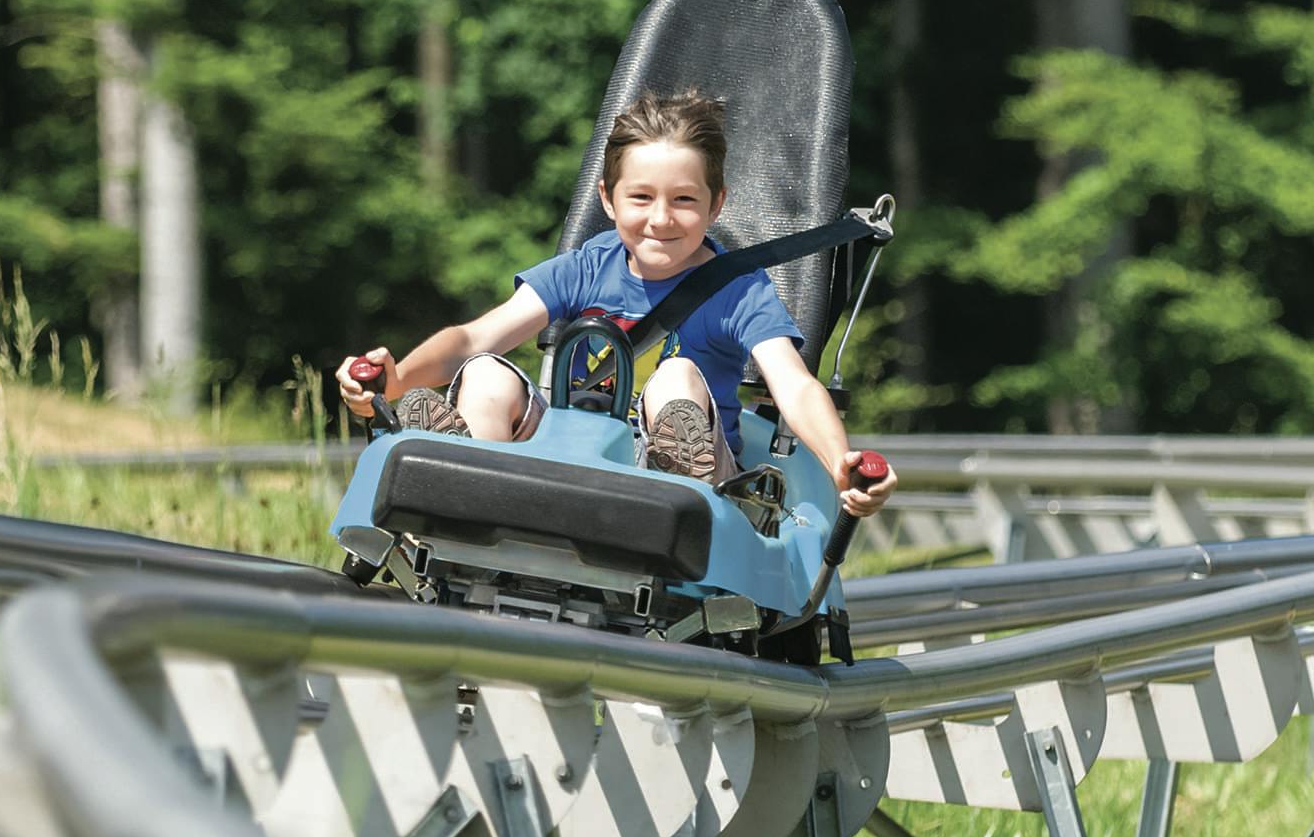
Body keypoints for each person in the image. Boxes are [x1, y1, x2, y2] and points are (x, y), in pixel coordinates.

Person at [334, 89, 896, 519]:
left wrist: (840, 464)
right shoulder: (587, 266)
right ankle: (474, 494)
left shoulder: (739, 290)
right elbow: (474, 339)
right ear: (607, 198)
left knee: (675, 376)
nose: (660, 219)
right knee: (483, 374)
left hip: (686, 487)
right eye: (641, 198)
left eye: (683, 200)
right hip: (565, 459)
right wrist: (398, 378)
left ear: (716, 203)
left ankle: (676, 472)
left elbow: (793, 384)